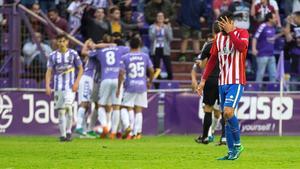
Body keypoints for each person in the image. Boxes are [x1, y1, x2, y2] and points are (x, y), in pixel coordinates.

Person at [197, 11, 248, 160]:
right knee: (226, 116)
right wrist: (203, 80)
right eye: (220, 25)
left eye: (223, 24)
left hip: (236, 80)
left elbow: (241, 48)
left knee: (227, 111)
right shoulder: (218, 37)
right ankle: (231, 153)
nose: (221, 27)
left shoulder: (242, 33)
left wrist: (231, 32)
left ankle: (238, 145)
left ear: (230, 22)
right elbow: (213, 59)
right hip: (222, 81)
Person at [84, 36, 130, 139]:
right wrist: (112, 45)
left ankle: (104, 125)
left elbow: (86, 52)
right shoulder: (119, 49)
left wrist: (96, 46)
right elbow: (128, 49)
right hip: (116, 79)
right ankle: (113, 132)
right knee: (116, 106)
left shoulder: (100, 51)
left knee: (100, 105)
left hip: (104, 79)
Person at [191, 23, 226, 145]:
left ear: (213, 30)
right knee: (224, 110)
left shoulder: (209, 45)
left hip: (210, 79)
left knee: (208, 108)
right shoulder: (229, 44)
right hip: (224, 79)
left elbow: (200, 62)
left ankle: (205, 137)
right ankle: (224, 138)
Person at [45, 34, 83, 142]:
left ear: (67, 42)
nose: (61, 43)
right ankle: (63, 135)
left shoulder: (73, 54)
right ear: (57, 43)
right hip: (58, 87)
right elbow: (49, 71)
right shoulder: (52, 55)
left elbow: (80, 69)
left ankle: (69, 131)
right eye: (59, 41)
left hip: (70, 87)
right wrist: (47, 85)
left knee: (68, 107)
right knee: (61, 111)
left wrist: (76, 83)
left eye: (63, 41)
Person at [116, 37, 155, 139]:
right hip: (142, 85)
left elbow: (121, 73)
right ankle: (137, 133)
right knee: (138, 109)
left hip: (130, 85)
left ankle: (127, 126)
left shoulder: (125, 57)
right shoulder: (145, 56)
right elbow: (151, 70)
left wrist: (119, 87)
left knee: (123, 107)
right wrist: (149, 82)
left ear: (129, 46)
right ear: (139, 45)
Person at [252, 12, 283, 83]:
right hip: (262, 54)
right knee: (260, 74)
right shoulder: (262, 26)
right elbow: (255, 37)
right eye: (274, 17)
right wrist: (254, 49)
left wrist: (282, 33)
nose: (276, 19)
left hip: (271, 54)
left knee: (273, 75)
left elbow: (272, 38)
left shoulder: (273, 28)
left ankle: (273, 92)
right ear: (269, 19)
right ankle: (257, 92)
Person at [149, 12, 173, 86]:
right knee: (156, 67)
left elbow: (170, 38)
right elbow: (151, 38)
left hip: (165, 49)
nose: (160, 17)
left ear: (164, 18)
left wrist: (166, 29)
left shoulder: (167, 27)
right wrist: (156, 30)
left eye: (162, 16)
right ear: (156, 18)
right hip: (155, 49)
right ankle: (157, 84)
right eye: (158, 16)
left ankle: (169, 82)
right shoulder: (152, 27)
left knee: (168, 66)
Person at [283, 11, 300, 90]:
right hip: (295, 55)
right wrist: (288, 23)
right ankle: (294, 95)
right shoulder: (293, 27)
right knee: (294, 76)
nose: (293, 19)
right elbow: (288, 38)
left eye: (294, 17)